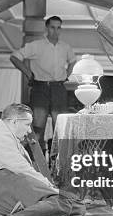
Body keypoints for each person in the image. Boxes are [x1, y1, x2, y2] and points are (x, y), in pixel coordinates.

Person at [0, 103, 85, 216]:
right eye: (27, 125)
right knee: (68, 203)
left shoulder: (3, 136)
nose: (30, 130)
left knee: (77, 207)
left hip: (3, 194)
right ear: (14, 122)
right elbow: (23, 169)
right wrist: (50, 187)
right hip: (3, 184)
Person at [10, 16, 76, 150]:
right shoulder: (36, 45)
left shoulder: (65, 47)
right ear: (47, 28)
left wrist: (67, 75)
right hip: (40, 88)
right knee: (38, 128)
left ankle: (59, 163)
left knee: (61, 127)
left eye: (58, 28)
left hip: (59, 87)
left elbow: (73, 60)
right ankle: (37, 163)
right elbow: (14, 57)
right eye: (52, 27)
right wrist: (28, 73)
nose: (55, 31)